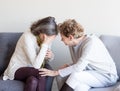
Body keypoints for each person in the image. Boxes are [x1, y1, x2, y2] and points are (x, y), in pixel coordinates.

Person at [39, 19, 119, 91]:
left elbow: (79, 67)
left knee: (75, 75)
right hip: (89, 72)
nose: (61, 40)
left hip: (106, 76)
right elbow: (81, 62)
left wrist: (55, 72)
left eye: (62, 37)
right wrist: (67, 65)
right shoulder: (72, 44)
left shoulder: (91, 43)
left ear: (70, 37)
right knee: (77, 87)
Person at [3, 16, 58, 91]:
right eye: (49, 38)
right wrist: (45, 44)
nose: (50, 41)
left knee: (33, 81)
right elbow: (36, 66)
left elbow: (45, 60)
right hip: (17, 69)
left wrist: (50, 56)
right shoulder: (27, 37)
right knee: (41, 73)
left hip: (32, 71)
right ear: (42, 33)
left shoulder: (47, 38)